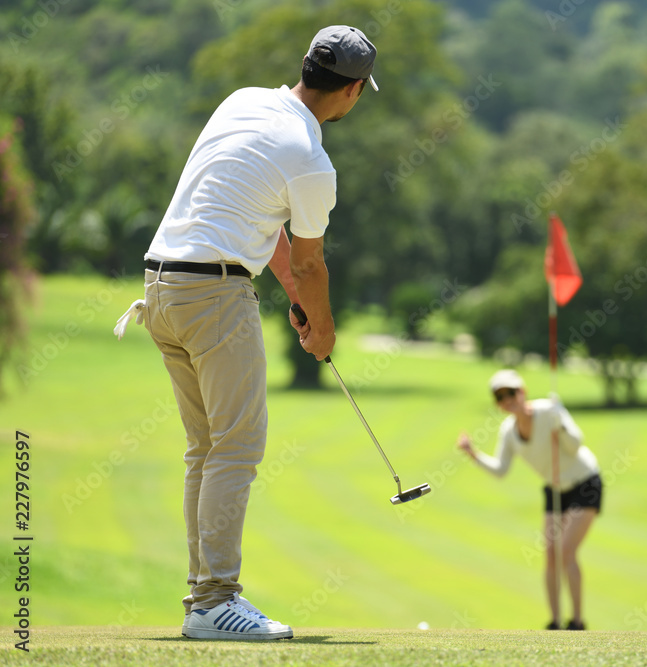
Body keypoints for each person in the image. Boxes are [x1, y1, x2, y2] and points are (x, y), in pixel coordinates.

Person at [113, 25, 379, 640]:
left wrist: (297, 302)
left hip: (162, 287)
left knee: (205, 450)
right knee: (235, 449)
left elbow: (265, 226)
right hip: (213, 294)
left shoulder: (242, 101)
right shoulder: (313, 161)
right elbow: (311, 261)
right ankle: (215, 601)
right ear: (354, 91)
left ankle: (204, 601)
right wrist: (325, 330)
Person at [456, 369, 602, 631]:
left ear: (522, 392)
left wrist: (562, 429)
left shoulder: (549, 410)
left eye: (511, 393)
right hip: (555, 489)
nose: (507, 400)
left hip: (585, 482)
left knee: (567, 550)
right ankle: (555, 623)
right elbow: (501, 470)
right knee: (550, 553)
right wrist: (473, 454)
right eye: (500, 397)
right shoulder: (508, 431)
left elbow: (575, 445)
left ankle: (577, 622)